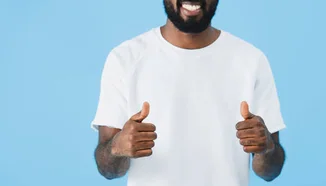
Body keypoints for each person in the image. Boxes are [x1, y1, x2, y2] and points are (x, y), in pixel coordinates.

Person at [90, 0, 286, 185]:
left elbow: (271, 171)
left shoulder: (251, 60)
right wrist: (118, 147)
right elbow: (107, 169)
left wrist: (266, 147)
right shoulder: (124, 59)